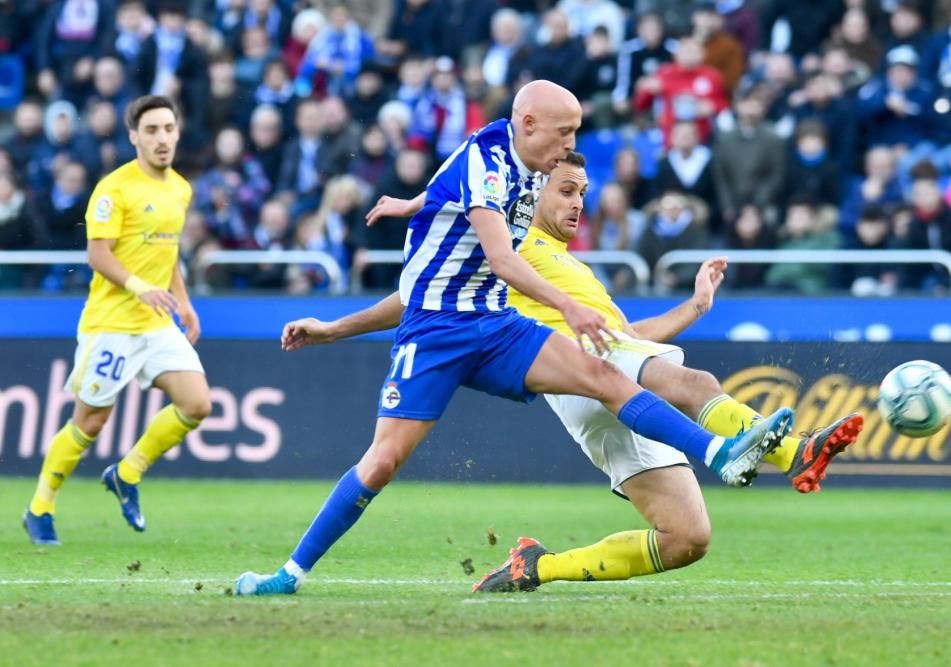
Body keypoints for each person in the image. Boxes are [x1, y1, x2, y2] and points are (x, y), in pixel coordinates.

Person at [234, 80, 794, 596]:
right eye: (564, 131)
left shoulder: (524, 162)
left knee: (603, 376)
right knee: (381, 464)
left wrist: (419, 204)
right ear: (527, 123)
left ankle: (719, 452)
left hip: (496, 324)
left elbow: (451, 189)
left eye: (576, 131)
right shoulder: (490, 164)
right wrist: (568, 306)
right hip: (435, 333)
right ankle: (288, 575)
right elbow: (501, 257)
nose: (572, 142)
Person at [22, 95, 212, 546]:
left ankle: (127, 474)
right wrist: (139, 287)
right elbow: (97, 254)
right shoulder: (114, 188)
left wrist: (183, 302)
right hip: (111, 323)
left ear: (177, 132)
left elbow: (168, 254)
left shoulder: (180, 189)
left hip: (157, 322)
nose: (162, 138)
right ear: (134, 137)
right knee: (90, 422)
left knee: (197, 404)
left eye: (168, 128)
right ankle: (40, 507)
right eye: (151, 130)